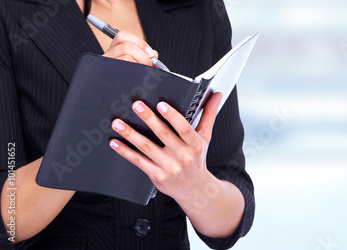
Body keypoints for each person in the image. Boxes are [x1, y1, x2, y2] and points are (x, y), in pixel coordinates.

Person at [0, 0, 254, 249]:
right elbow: (9, 221)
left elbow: (232, 217)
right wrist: (93, 115)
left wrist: (194, 185)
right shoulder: (9, 11)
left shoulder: (201, 8)